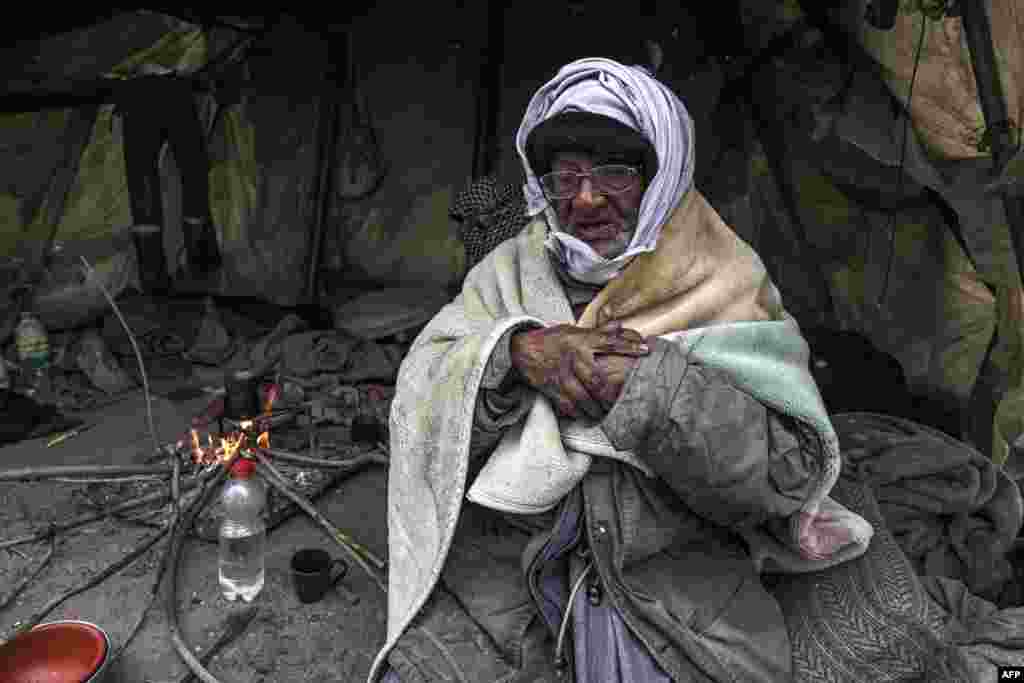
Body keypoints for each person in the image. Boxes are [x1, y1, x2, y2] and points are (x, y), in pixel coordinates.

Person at [368, 58, 872, 683]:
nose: (584, 198)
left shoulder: (722, 277)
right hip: (512, 572)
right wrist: (519, 352)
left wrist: (647, 386)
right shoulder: (511, 269)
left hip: (671, 584)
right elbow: (422, 391)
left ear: (661, 177)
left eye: (614, 173)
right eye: (566, 175)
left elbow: (785, 477)